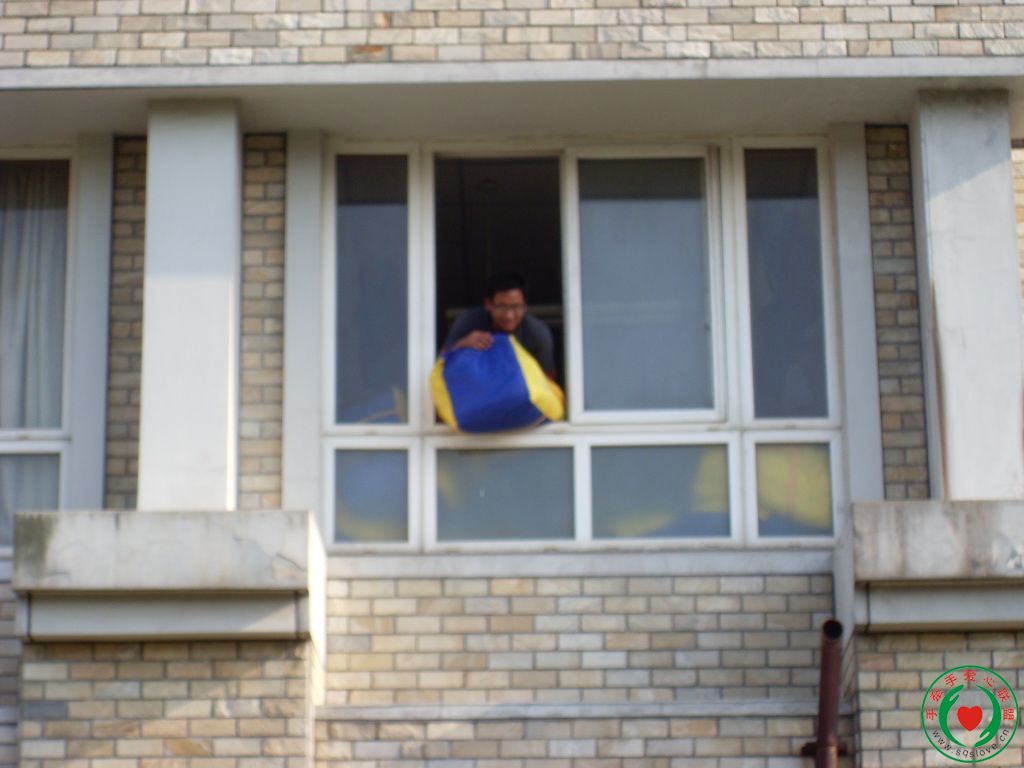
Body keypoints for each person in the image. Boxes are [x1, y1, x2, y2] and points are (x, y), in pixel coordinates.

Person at [443, 272, 556, 379]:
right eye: (502, 306)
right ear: (488, 304)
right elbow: (440, 361)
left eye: (516, 307)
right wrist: (463, 344)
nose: (509, 315)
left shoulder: (537, 333)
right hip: (476, 386)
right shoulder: (469, 321)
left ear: (525, 307)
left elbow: (547, 379)